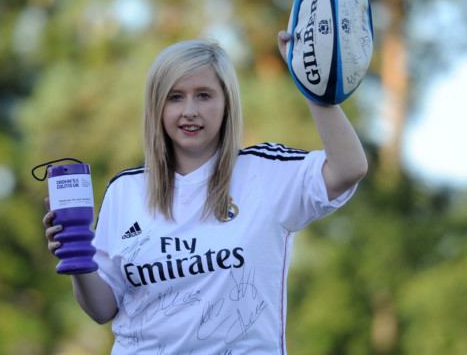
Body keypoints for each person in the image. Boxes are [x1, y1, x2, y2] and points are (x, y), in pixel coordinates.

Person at [42, 31, 367, 354]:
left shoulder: (265, 173)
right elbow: (102, 309)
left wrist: (308, 82)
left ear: (227, 104)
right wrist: (75, 254)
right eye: (175, 97)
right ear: (157, 107)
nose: (189, 111)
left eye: (204, 95)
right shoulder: (124, 190)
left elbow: (350, 167)